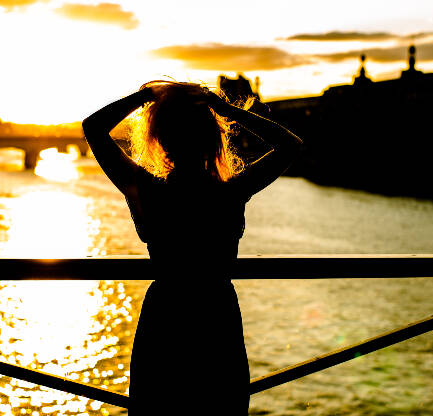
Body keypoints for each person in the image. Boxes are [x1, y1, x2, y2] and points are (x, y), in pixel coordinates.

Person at [82, 81, 302, 415]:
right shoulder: (229, 193)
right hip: (216, 318)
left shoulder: (147, 190)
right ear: (212, 138)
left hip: (166, 318)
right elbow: (290, 145)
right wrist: (227, 110)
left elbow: (93, 128)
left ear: (160, 140)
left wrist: (145, 96)